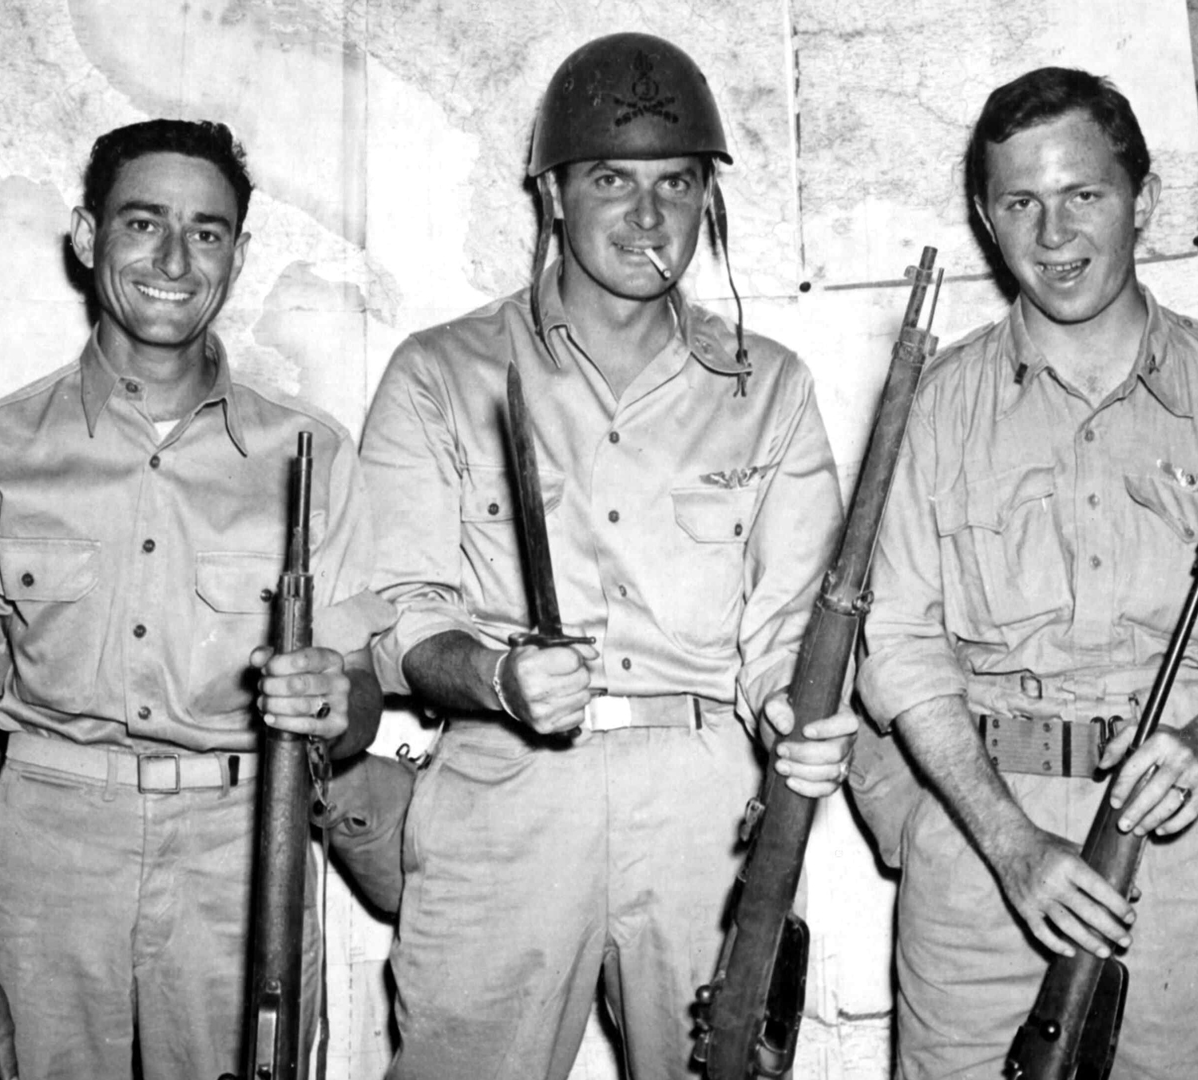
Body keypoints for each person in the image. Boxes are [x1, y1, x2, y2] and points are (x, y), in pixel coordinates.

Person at [852, 66, 1198, 1079]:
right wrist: (1010, 849)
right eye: (1021, 204)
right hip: (979, 848)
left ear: (1142, 199)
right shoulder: (933, 404)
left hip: (1175, 858)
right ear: (985, 217)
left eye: (1084, 195)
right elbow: (900, 648)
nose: (1054, 236)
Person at [360, 32, 860, 1080]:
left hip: (710, 804)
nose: (646, 216)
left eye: (676, 183)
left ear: (708, 197)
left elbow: (786, 631)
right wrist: (495, 674)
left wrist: (793, 714)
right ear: (551, 194)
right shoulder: (443, 373)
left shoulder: (766, 387)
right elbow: (399, 615)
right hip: (507, 790)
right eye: (610, 181)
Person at [0, 118, 392, 1080]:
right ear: (88, 238)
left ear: (239, 257)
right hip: (46, 848)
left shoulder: (311, 455)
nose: (174, 259)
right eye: (142, 223)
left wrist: (337, 709)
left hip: (244, 851)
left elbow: (359, 701)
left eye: (207, 233)